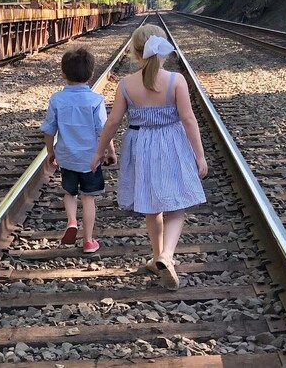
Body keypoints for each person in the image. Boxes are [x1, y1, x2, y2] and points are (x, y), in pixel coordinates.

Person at [90, 26, 208, 290]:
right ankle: (167, 255)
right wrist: (199, 156)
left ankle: (157, 257)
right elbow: (188, 120)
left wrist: (100, 151)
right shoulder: (176, 81)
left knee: (152, 205)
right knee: (176, 206)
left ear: (135, 52)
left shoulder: (126, 84)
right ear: (162, 50)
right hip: (172, 144)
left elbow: (112, 122)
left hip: (140, 145)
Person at [42, 47, 116, 254]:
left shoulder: (57, 99)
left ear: (63, 74)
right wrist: (110, 151)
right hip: (90, 159)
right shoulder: (95, 100)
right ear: (91, 75)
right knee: (88, 197)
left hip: (67, 158)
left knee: (69, 193)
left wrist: (51, 152)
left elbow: (49, 129)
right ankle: (89, 241)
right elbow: (103, 130)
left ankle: (72, 221)